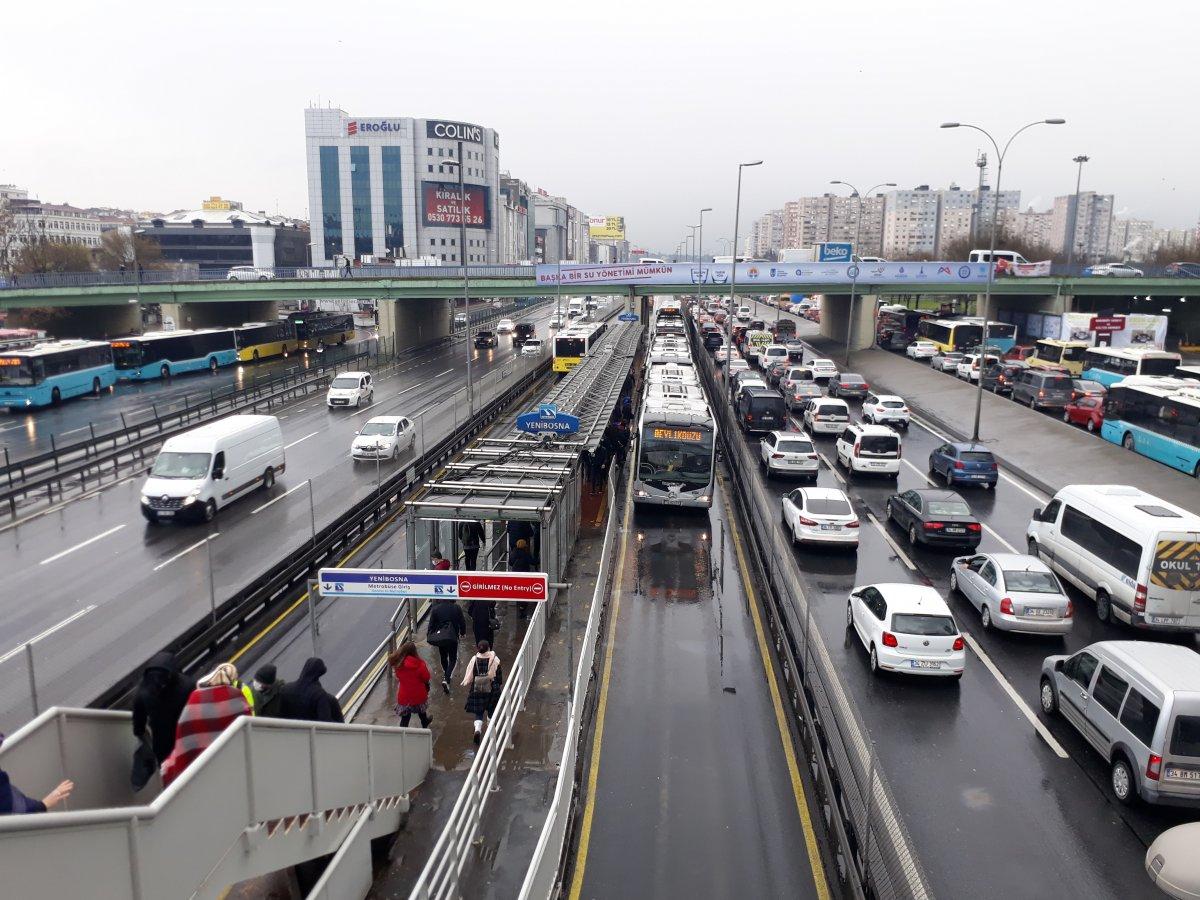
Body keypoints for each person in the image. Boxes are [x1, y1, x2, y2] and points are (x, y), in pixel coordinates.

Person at [161, 663, 251, 786]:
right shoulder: (236, 697)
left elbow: (185, 732)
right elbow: (248, 727)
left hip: (197, 770)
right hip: (232, 767)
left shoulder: (195, 699)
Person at [131, 651, 194, 765]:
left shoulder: (142, 691)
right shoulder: (187, 685)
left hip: (161, 740)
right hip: (185, 734)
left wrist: (140, 733)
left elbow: (138, 724)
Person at [461, 640, 503, 745]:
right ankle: (491, 732)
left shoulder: (474, 659)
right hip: (492, 688)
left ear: (477, 648)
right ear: (489, 648)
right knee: (491, 710)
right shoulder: (495, 659)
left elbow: (470, 676)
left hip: (478, 687)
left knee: (479, 712)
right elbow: (499, 677)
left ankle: (478, 730)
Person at [280, 657, 344, 723]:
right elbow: (325, 721)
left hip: (290, 730)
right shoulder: (319, 695)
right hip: (310, 731)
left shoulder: (285, 689)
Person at [426, 598, 466, 692]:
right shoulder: (456, 608)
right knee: (453, 658)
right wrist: (463, 632)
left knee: (443, 656)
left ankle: (446, 673)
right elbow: (462, 621)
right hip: (453, 636)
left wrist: (430, 635)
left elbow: (431, 625)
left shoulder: (436, 609)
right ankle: (447, 678)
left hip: (441, 636)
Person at [389, 642, 432, 728]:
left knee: (405, 719)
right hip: (419, 695)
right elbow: (426, 678)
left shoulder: (398, 665)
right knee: (422, 713)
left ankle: (403, 735)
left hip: (404, 697)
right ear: (415, 652)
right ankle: (425, 723)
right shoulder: (420, 664)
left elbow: (398, 676)